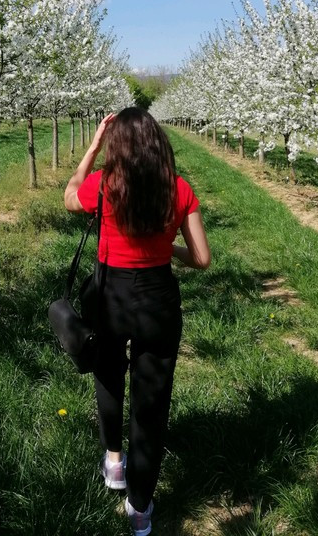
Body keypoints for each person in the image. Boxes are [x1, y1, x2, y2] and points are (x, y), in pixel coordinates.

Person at [64, 107, 211, 536]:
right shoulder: (178, 190)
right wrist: (171, 249)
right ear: (158, 142)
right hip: (157, 299)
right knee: (152, 404)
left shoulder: (105, 185)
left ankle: (114, 462)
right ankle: (141, 508)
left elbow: (69, 196)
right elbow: (202, 258)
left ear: (117, 146)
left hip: (110, 295)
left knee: (109, 374)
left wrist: (91, 147)